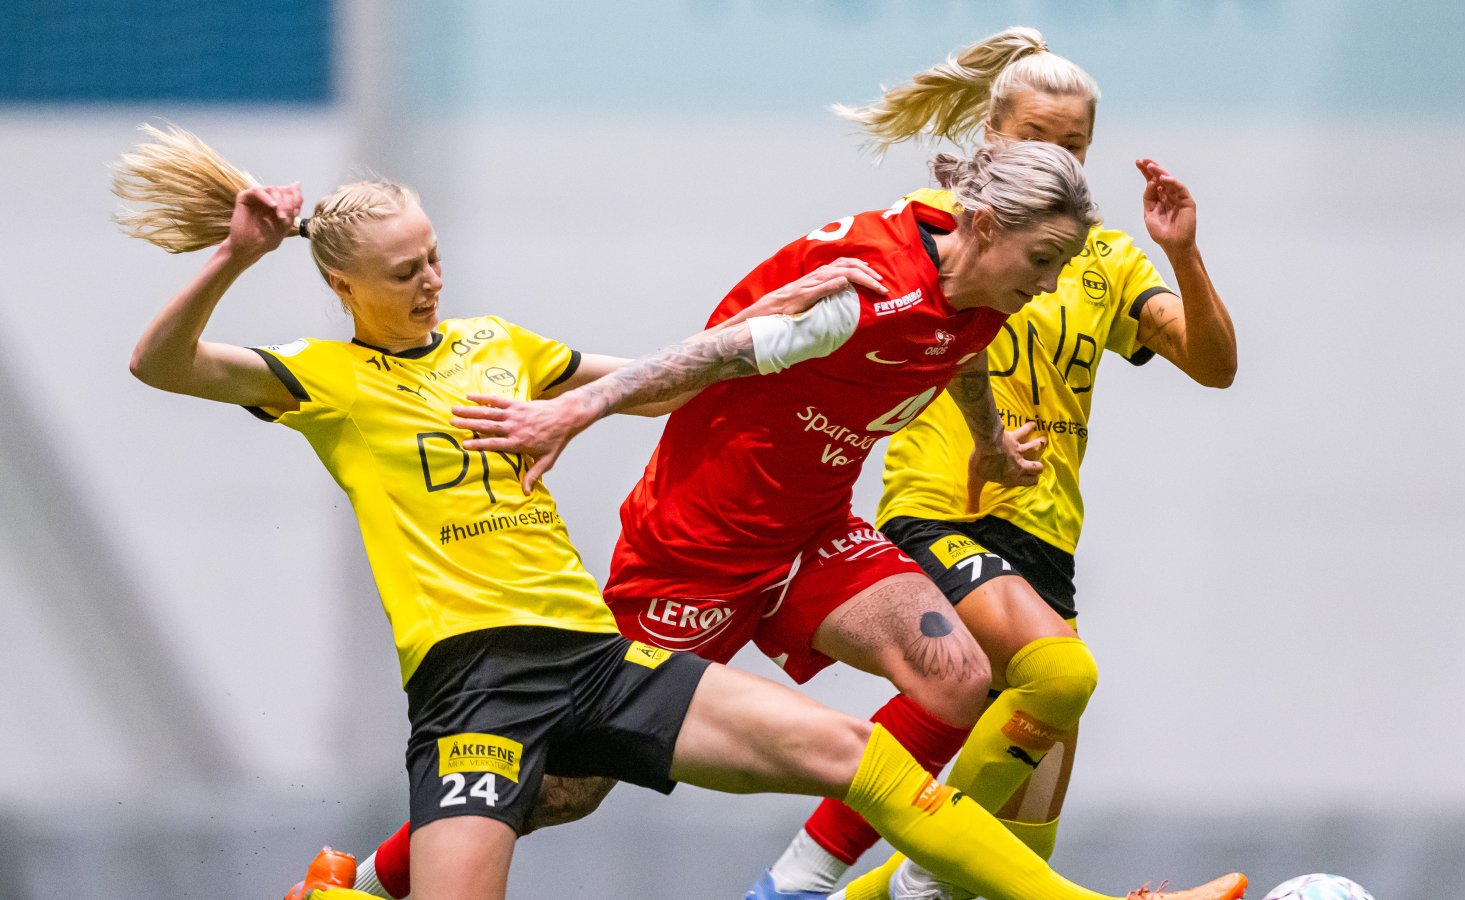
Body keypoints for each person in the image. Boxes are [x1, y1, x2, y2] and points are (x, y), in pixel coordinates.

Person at [114, 124, 1196, 900]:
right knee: (568, 801)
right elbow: (161, 366)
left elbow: (677, 378)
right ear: (346, 288)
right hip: (498, 670)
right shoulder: (322, 379)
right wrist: (234, 259)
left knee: (898, 726)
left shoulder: (499, 345)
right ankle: (350, 887)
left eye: (437, 254)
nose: (434, 279)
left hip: (619, 637)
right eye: (408, 269)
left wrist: (769, 339)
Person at [749, 27, 1239, 900]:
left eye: (1076, 146)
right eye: (1038, 140)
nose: (1062, 160)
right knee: (1060, 671)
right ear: (991, 138)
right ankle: (861, 878)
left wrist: (1183, 250)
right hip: (944, 516)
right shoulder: (945, 229)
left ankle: (852, 891)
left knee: (1007, 861)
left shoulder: (1107, 261)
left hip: (1045, 544)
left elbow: (1215, 365)